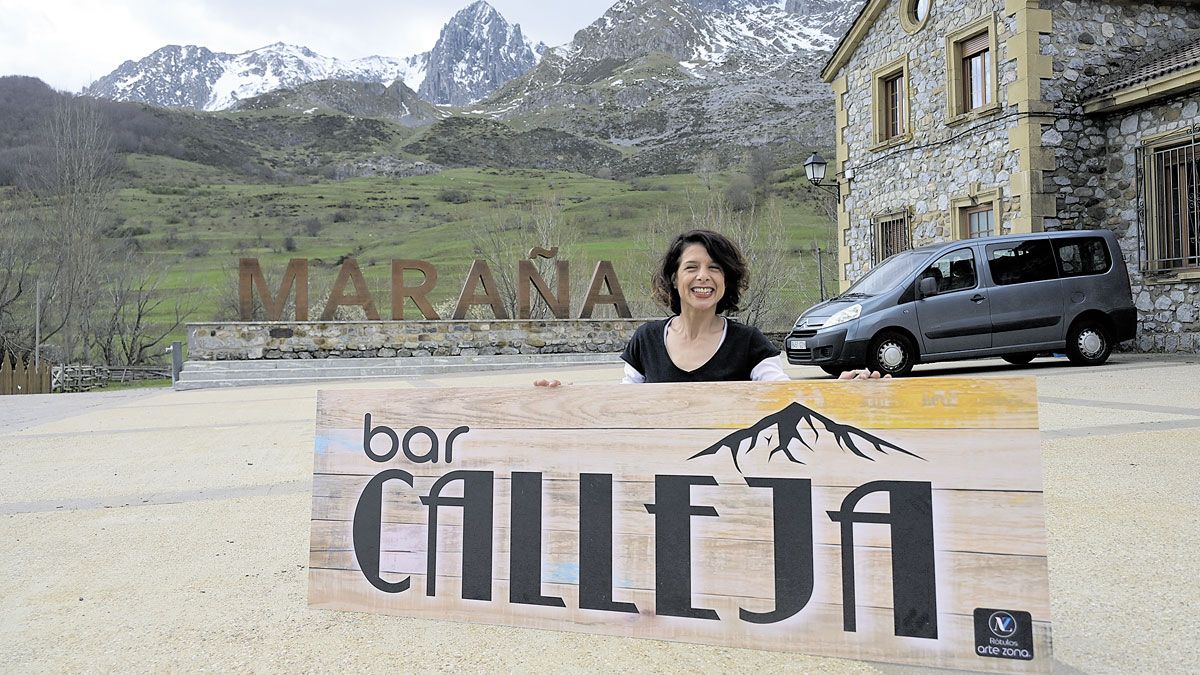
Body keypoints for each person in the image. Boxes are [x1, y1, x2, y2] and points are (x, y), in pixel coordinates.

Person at [535, 229, 885, 386]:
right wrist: (562, 398)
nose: (704, 276)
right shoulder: (646, 340)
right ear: (674, 278)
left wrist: (843, 390)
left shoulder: (750, 343)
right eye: (692, 267)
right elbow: (622, 410)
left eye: (715, 268)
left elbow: (783, 398)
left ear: (727, 280)